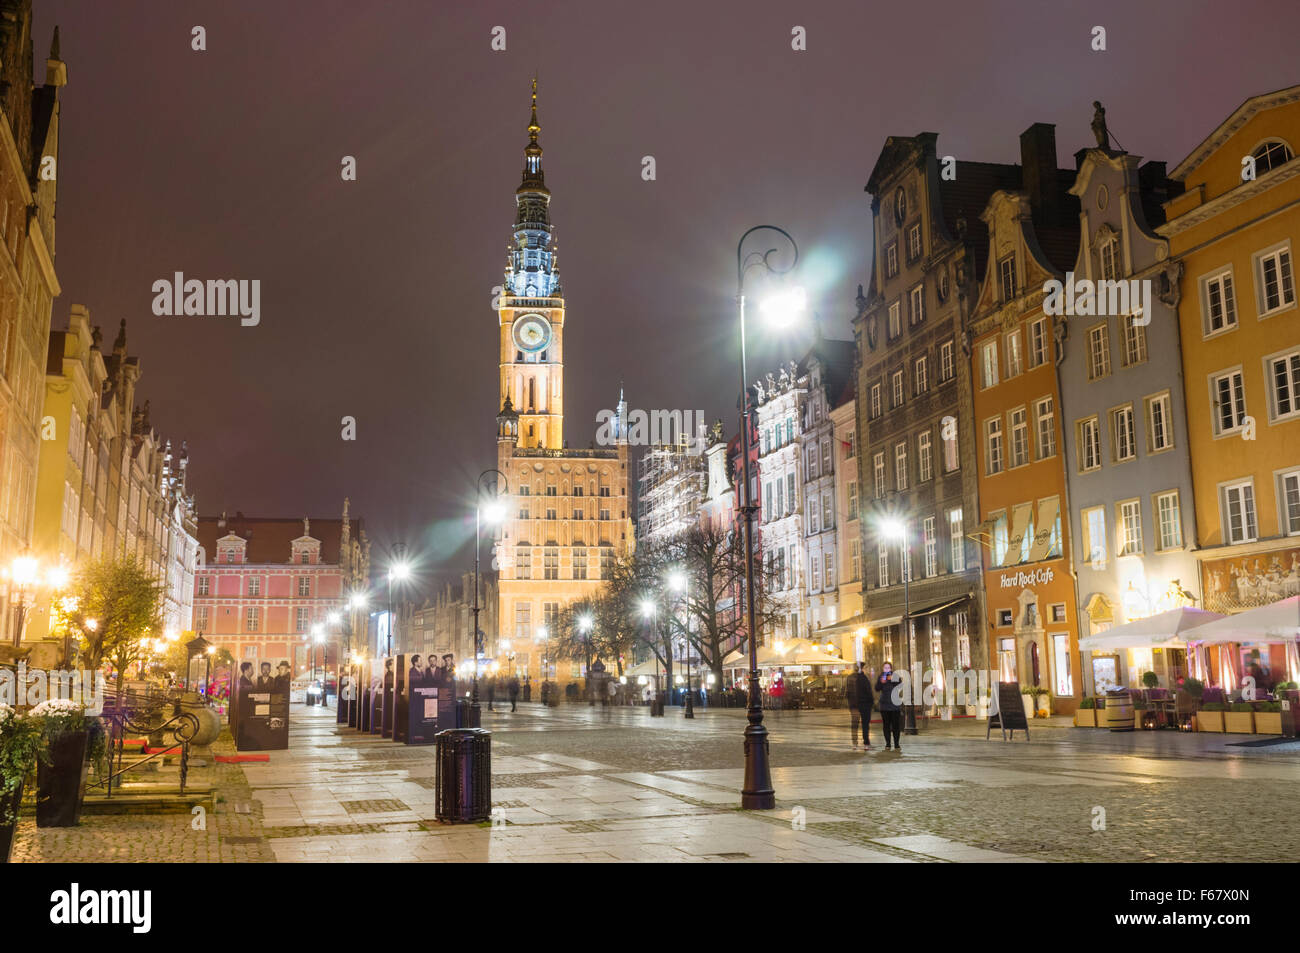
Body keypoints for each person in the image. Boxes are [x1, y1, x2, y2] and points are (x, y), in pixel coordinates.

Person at [876, 661, 902, 751]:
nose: (886, 669)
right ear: (883, 669)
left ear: (891, 668)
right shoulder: (881, 677)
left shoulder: (895, 676)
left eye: (888, 668)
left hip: (895, 705)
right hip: (885, 705)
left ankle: (896, 744)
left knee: (896, 726)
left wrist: (892, 679)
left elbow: (899, 685)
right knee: (886, 725)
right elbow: (877, 688)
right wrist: (881, 682)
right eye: (885, 668)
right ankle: (888, 743)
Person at [849, 662, 873, 749]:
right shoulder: (863, 678)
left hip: (854, 706)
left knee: (855, 725)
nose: (867, 669)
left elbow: (847, 692)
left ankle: (854, 743)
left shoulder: (850, 677)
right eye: (865, 668)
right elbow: (868, 692)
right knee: (865, 724)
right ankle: (866, 743)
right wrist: (871, 702)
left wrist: (851, 704)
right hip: (864, 704)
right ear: (862, 668)